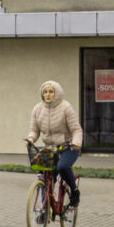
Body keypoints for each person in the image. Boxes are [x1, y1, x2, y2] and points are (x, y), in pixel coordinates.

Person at [25, 80, 83, 208]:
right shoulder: (37, 109)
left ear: (57, 93)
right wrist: (30, 139)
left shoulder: (66, 108)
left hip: (68, 146)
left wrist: (76, 143)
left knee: (62, 167)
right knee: (44, 176)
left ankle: (74, 191)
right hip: (51, 148)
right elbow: (34, 130)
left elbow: (76, 130)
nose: (47, 94)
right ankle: (44, 210)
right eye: (45, 92)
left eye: (51, 91)